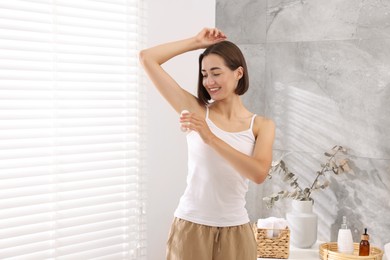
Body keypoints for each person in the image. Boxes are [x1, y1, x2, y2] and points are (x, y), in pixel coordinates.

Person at [139, 28, 275, 260]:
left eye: (216, 73)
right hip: (191, 226)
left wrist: (210, 137)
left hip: (236, 230)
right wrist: (196, 42)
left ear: (238, 73)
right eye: (204, 74)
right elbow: (147, 58)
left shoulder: (261, 125)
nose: (209, 81)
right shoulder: (197, 110)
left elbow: (258, 173)